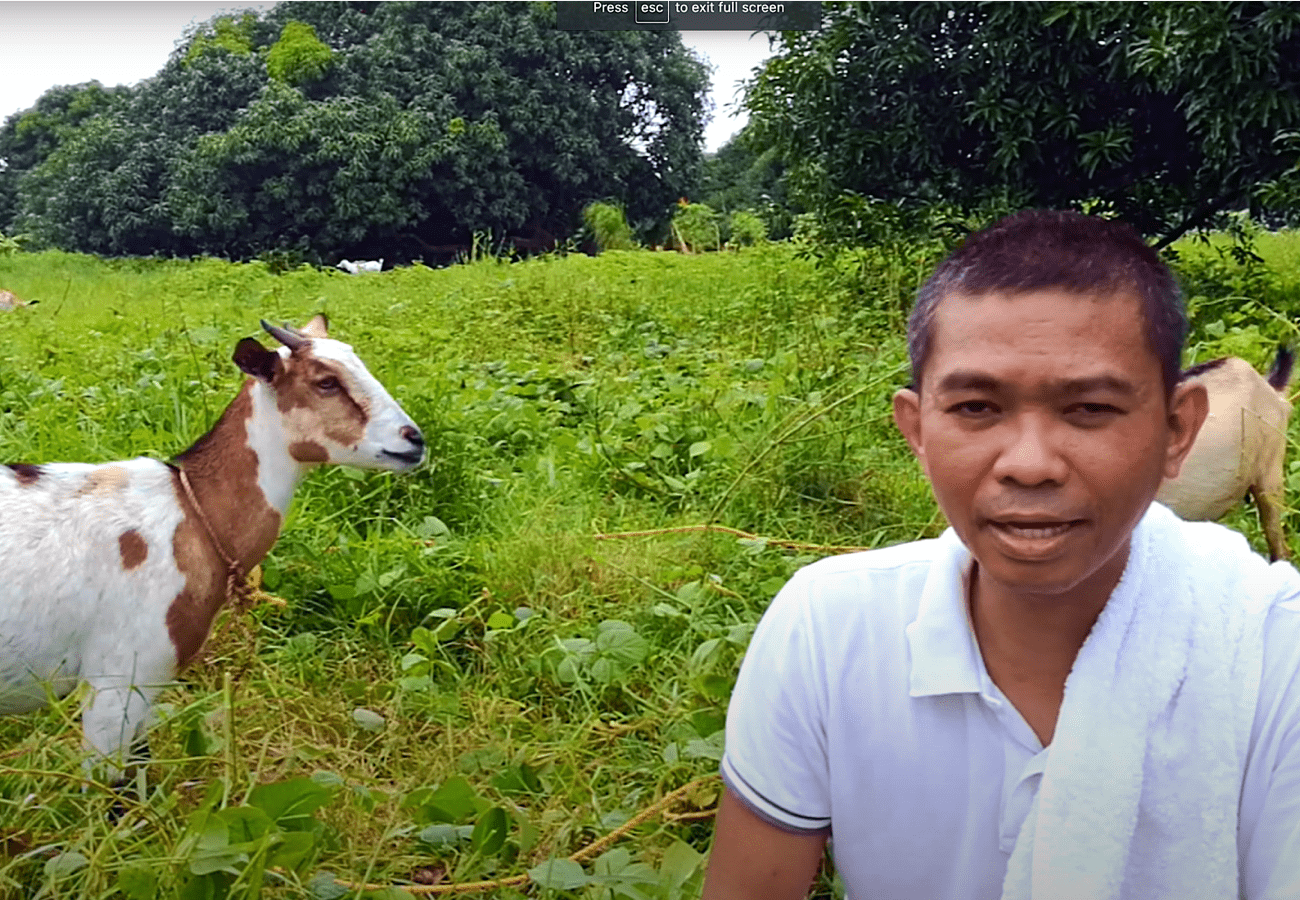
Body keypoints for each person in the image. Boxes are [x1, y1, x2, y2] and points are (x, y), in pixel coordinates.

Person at [702, 210, 1300, 900]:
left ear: (1176, 430)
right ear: (917, 427)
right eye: (978, 408)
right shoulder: (827, 630)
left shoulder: (1275, 652)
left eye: (1090, 409)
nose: (1030, 465)